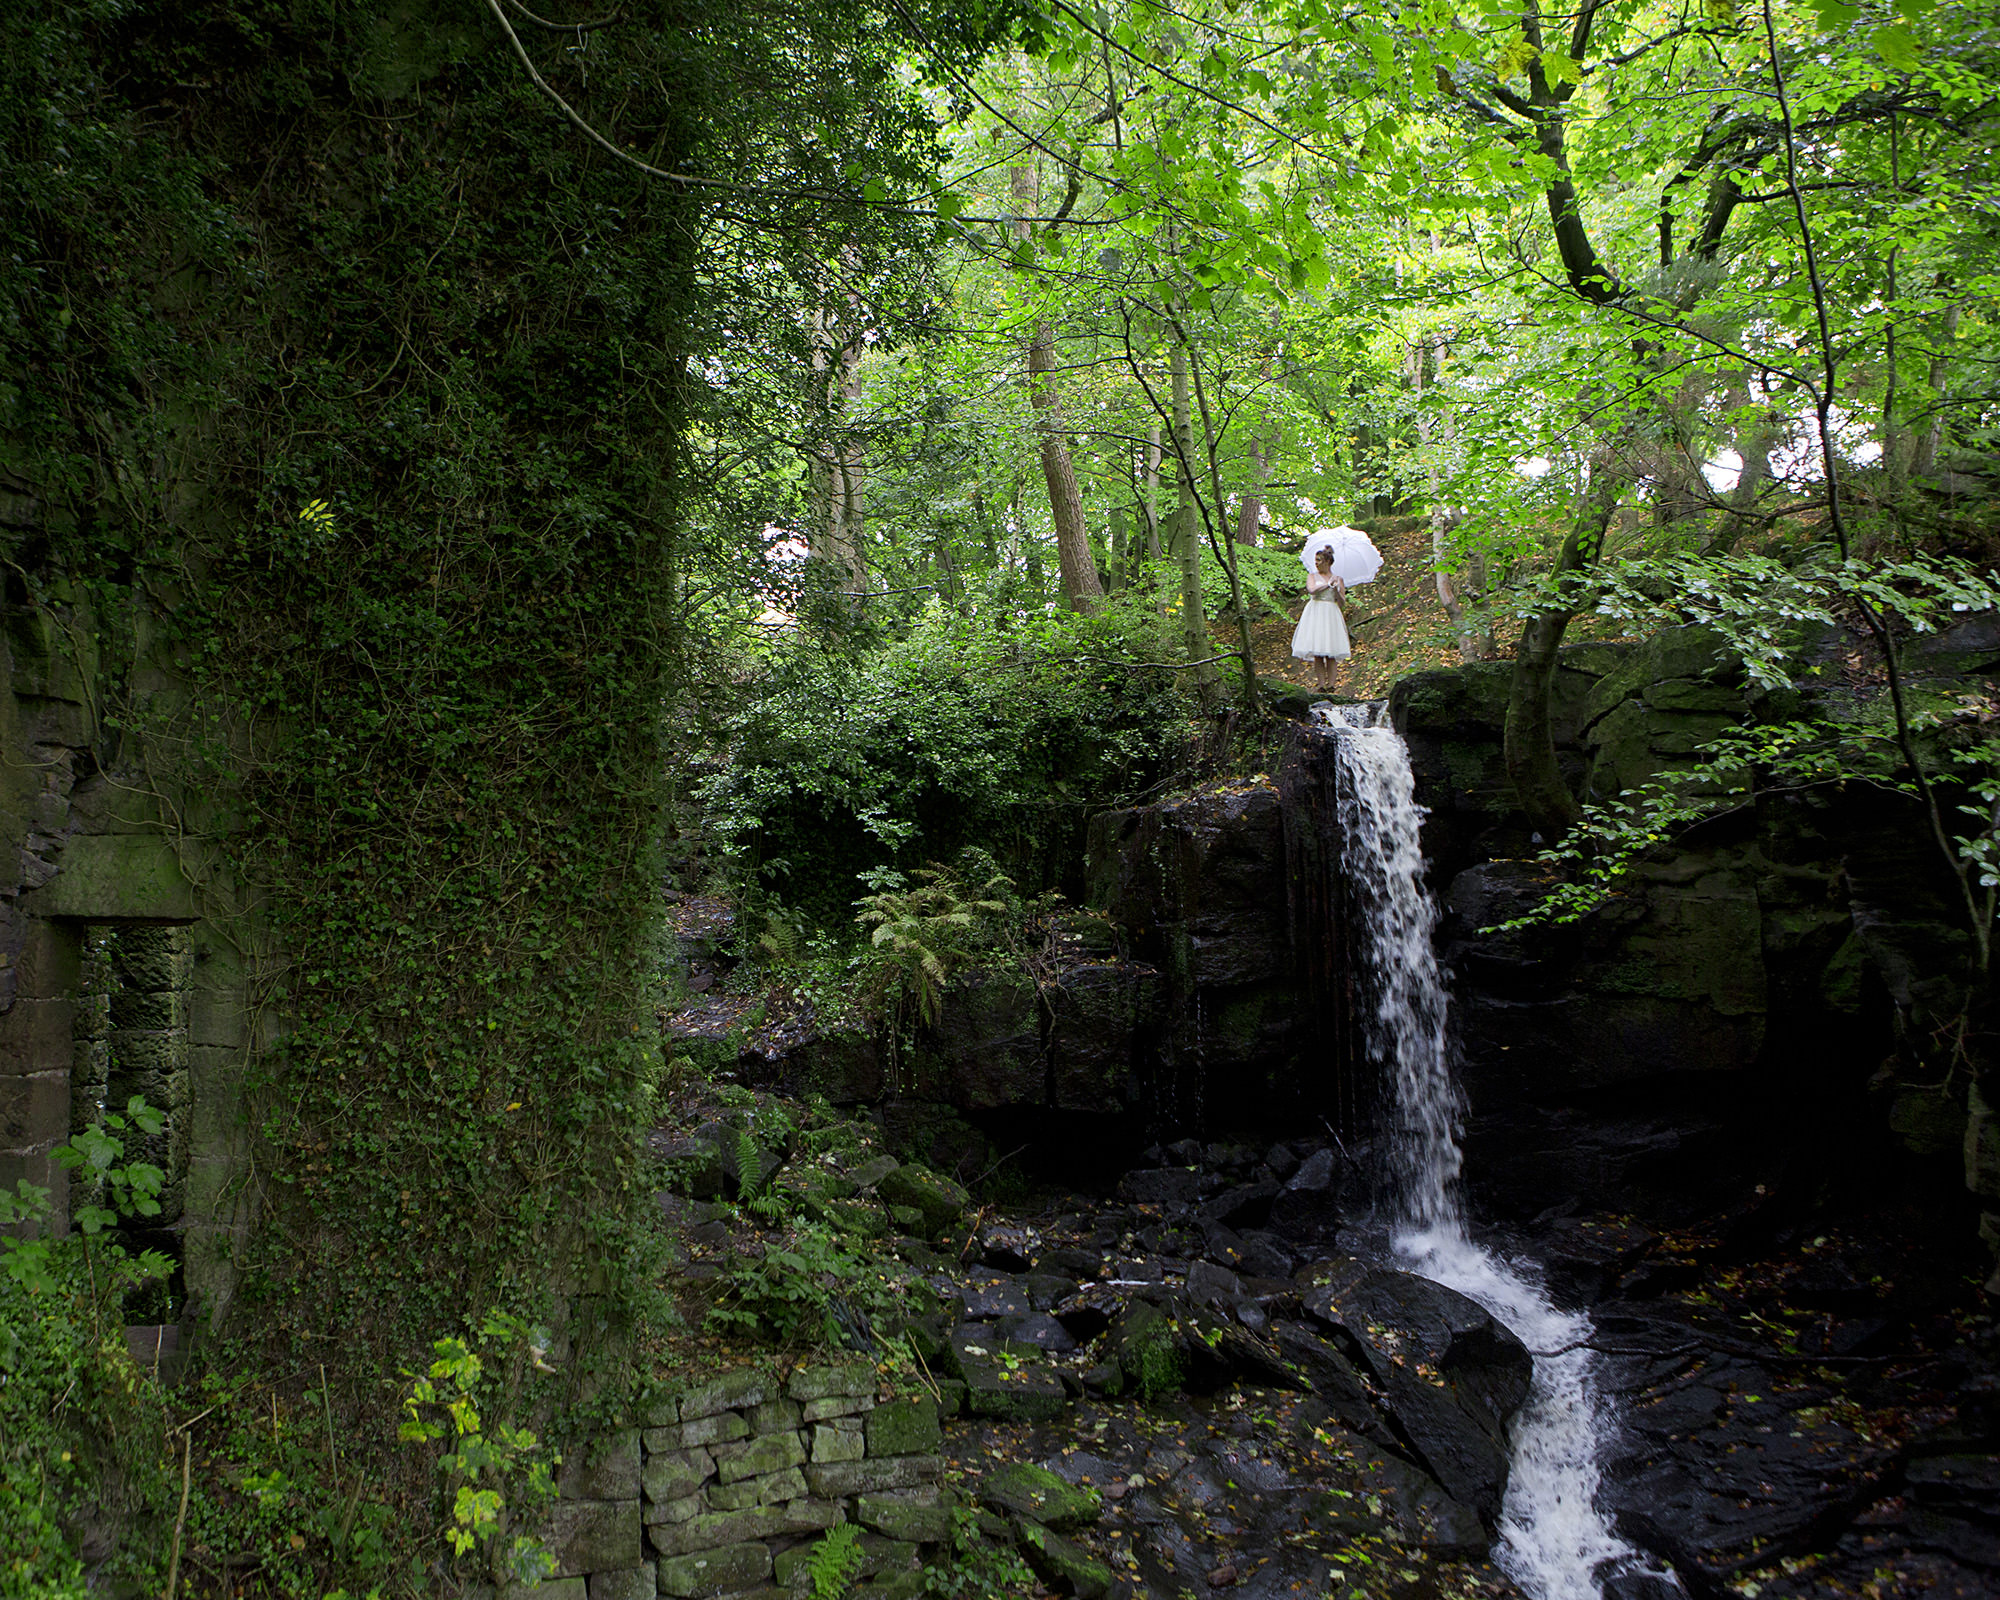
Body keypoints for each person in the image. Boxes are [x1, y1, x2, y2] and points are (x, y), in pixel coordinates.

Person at [1291, 545, 1350, 689]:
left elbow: (1342, 602)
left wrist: (1336, 590)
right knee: (1318, 651)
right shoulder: (1312, 576)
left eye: (1319, 560)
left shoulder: (1338, 579)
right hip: (1316, 612)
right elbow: (1312, 590)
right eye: (1315, 560)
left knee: (1332, 652)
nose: (1316, 563)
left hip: (1331, 613)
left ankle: (1331, 684)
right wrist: (1326, 585)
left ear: (1327, 562)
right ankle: (1321, 684)